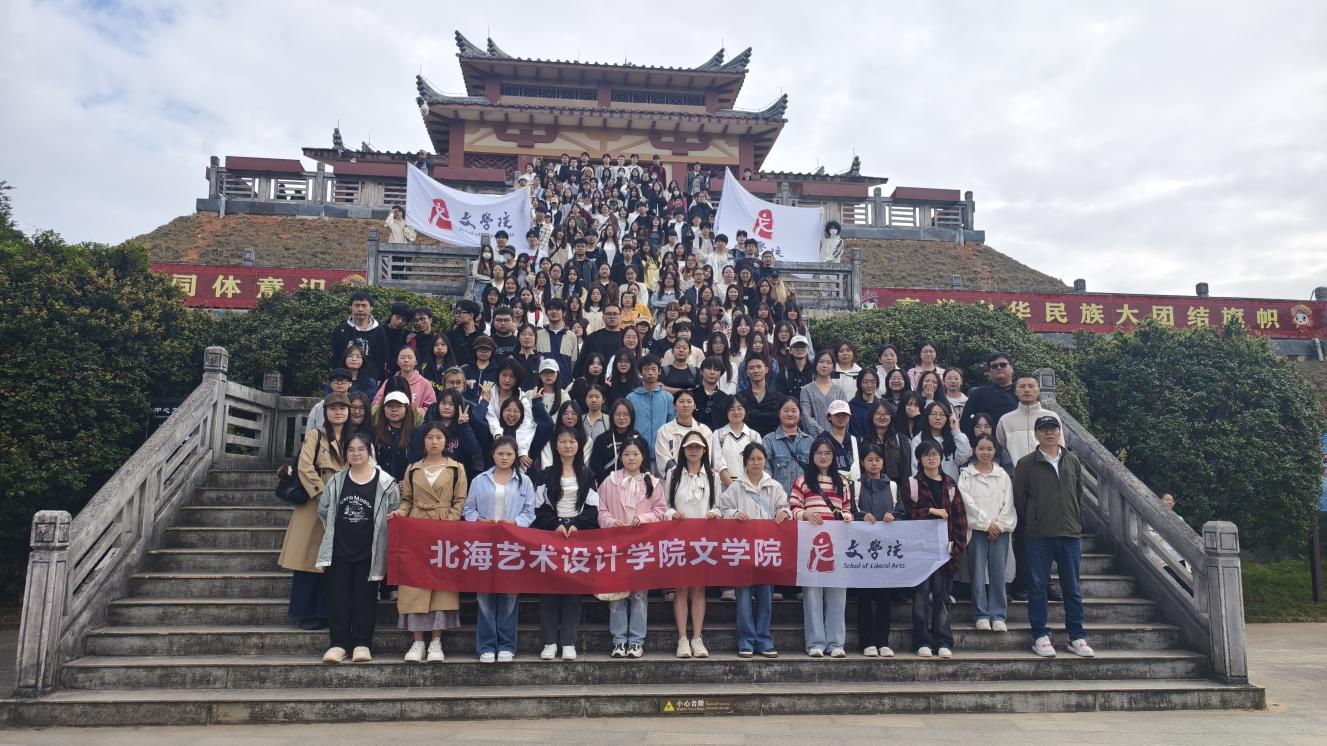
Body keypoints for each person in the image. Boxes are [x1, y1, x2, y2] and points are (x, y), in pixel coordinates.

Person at [1013, 416, 1094, 659]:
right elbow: (1020, 500)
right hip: (1038, 535)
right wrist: (1032, 523)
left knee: (1072, 588)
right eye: (1044, 430)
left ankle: (1076, 636)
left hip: (1069, 533)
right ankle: (1040, 635)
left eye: (1053, 429)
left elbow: (1078, 494)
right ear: (1036, 435)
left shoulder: (1072, 460)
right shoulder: (1026, 464)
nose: (1049, 433)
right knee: (1037, 587)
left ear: (1059, 433)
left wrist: (1075, 521)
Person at [316, 433, 400, 664]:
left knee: (366, 599)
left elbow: (395, 509)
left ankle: (362, 643)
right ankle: (338, 644)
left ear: (369, 451)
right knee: (338, 598)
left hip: (369, 552)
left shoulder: (385, 482)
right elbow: (324, 510)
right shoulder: (337, 481)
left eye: (361, 449)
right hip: (339, 550)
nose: (356, 453)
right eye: (351, 450)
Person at [391, 422, 467, 662]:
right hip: (416, 531)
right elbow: (406, 500)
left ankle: (436, 641)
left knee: (441, 585)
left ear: (446, 441)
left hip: (444, 531)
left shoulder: (457, 468)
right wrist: (399, 513)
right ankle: (417, 642)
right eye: (430, 437)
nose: (434, 442)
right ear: (423, 441)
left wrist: (448, 523)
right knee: (414, 585)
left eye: (439, 437)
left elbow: (460, 501)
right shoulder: (413, 468)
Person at [463, 436, 538, 663]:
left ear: (515, 456)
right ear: (493, 455)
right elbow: (468, 509)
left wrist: (514, 523)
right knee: (484, 595)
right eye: (500, 453)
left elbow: (530, 513)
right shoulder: (479, 480)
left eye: (509, 454)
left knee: (509, 595)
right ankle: (486, 645)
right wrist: (479, 521)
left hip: (511, 545)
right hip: (484, 545)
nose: (504, 458)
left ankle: (507, 644)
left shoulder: (524, 481)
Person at [282, 393, 349, 631]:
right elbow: (305, 466)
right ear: (326, 412)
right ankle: (306, 612)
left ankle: (326, 612)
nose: (338, 412)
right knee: (307, 559)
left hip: (343, 501)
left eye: (342, 408)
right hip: (314, 502)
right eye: (333, 408)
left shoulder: (353, 438)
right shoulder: (316, 435)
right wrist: (321, 493)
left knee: (333, 562)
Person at [533, 426, 600, 661]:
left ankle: (569, 642)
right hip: (551, 536)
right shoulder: (545, 474)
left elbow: (593, 508)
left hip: (576, 537)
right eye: (562, 441)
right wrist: (554, 524)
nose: (567, 445)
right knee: (548, 591)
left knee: (573, 590)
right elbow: (538, 507)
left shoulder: (588, 475)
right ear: (555, 445)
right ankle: (549, 642)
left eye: (572, 441)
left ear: (579, 445)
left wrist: (577, 524)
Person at [719, 442, 791, 657]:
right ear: (745, 463)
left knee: (765, 597)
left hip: (767, 549)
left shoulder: (774, 486)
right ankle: (746, 640)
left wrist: (784, 513)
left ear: (765, 461)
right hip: (743, 549)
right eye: (752, 459)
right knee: (743, 598)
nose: (756, 463)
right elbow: (723, 509)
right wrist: (734, 514)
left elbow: (784, 507)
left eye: (760, 458)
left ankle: (764, 639)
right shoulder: (736, 487)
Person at [597, 435, 667, 658]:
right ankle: (619, 640)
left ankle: (636, 641)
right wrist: (611, 522)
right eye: (626, 454)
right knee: (616, 595)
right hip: (616, 545)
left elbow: (661, 511)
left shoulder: (653, 482)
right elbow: (601, 510)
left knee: (639, 595)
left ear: (643, 456)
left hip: (641, 547)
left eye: (635, 454)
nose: (631, 458)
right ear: (620, 457)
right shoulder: (609, 482)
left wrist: (643, 518)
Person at [900, 440, 967, 659]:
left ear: (941, 457)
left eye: (935, 454)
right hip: (920, 550)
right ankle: (921, 641)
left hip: (944, 550)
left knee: (942, 596)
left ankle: (943, 641)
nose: (931, 458)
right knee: (921, 597)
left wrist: (957, 547)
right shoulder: (912, 484)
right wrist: (930, 511)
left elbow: (960, 518)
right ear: (919, 459)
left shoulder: (950, 484)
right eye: (926, 454)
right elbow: (907, 514)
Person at [790, 435, 854, 658]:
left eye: (827, 453)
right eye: (819, 453)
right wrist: (805, 514)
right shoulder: (802, 480)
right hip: (810, 546)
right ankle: (815, 643)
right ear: (812, 456)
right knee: (812, 595)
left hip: (837, 545)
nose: (823, 457)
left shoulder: (842, 482)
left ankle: (836, 643)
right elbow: (794, 507)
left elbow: (848, 509)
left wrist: (846, 517)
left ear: (833, 456)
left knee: (837, 595)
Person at [663, 431, 723, 658]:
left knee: (699, 589)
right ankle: (682, 638)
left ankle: (697, 637)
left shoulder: (712, 475)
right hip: (679, 538)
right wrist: (672, 513)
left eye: (698, 447)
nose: (694, 451)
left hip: (703, 539)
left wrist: (714, 513)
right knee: (680, 588)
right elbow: (666, 505)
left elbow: (718, 505)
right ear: (683, 450)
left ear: (705, 450)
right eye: (690, 447)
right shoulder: (673, 474)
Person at [958, 434, 1018, 633]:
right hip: (976, 530)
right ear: (974, 450)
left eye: (989, 448)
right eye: (981, 448)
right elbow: (966, 503)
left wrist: (998, 525)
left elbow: (1008, 503)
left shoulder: (1002, 475)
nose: (985, 452)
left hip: (1000, 531)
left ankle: (998, 614)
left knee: (998, 572)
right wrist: (985, 524)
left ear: (995, 451)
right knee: (976, 572)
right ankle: (981, 614)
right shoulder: (966, 474)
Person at [852, 443, 903, 657]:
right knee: (864, 598)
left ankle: (883, 641)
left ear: (883, 462)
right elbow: (849, 512)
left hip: (885, 550)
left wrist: (894, 516)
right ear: (862, 463)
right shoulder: (855, 486)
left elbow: (902, 512)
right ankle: (867, 642)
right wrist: (861, 516)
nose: (874, 464)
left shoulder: (892, 486)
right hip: (862, 550)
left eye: (878, 460)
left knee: (884, 598)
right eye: (869, 460)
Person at [995, 376, 1062, 464]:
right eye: (1022, 386)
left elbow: (1060, 445)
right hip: (1018, 470)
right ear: (1016, 391)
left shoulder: (1051, 416)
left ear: (1038, 390)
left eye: (1031, 386)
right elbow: (1002, 444)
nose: (1026, 390)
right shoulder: (1005, 420)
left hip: (1048, 469)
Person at [627, 355, 673, 468]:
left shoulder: (667, 397)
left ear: (659, 371)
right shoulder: (631, 398)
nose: (650, 373)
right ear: (640, 372)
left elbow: (671, 424)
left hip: (662, 453)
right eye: (646, 369)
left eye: (654, 369)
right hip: (638, 452)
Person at [330, 291, 389, 379]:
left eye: (364, 305)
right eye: (357, 305)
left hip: (370, 380)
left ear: (371, 308)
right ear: (350, 307)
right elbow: (335, 356)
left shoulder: (379, 331)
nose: (360, 309)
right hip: (343, 379)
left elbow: (381, 358)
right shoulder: (340, 330)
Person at [654, 389, 713, 475]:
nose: (685, 405)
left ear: (694, 406)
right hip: (673, 479)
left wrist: (694, 476)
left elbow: (706, 458)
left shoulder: (704, 431)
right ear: (674, 406)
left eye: (689, 401)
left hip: (699, 479)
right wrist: (681, 477)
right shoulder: (664, 430)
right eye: (681, 401)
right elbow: (663, 459)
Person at [762, 397, 813, 497]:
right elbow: (765, 472)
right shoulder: (769, 440)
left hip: (805, 499)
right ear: (779, 413)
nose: (790, 414)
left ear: (800, 414)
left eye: (794, 411)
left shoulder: (810, 441)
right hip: (778, 499)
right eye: (786, 411)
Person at [959, 352, 1017, 438]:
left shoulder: (1022, 393)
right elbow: (965, 423)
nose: (999, 368)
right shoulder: (978, 394)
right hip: (987, 443)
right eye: (994, 366)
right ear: (989, 371)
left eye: (1003, 365)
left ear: (1011, 368)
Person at [912, 401, 972, 481]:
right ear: (927, 417)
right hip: (926, 485)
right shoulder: (919, 440)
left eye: (942, 414)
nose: (938, 417)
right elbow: (915, 467)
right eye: (933, 414)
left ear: (947, 418)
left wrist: (956, 430)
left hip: (950, 484)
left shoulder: (953, 437)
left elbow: (963, 457)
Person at [373, 347, 436, 416]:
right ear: (397, 362)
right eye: (402, 358)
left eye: (410, 357)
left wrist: (417, 412)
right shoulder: (390, 382)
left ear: (416, 361)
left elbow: (432, 407)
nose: (406, 360)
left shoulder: (425, 383)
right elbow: (376, 403)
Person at [372, 390, 417, 481]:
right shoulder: (374, 432)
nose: (394, 410)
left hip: (407, 484)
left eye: (399, 406)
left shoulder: (415, 433)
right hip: (380, 482)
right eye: (389, 406)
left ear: (406, 409)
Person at [590, 399, 638, 482]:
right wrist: (610, 484)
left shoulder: (638, 439)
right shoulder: (602, 439)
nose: (621, 418)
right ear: (612, 416)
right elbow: (596, 466)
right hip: (607, 485)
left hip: (632, 485)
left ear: (632, 416)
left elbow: (644, 466)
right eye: (617, 414)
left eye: (626, 414)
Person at [801, 351, 846, 437]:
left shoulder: (839, 391)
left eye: (829, 363)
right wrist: (823, 435)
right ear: (815, 364)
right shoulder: (806, 390)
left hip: (836, 438)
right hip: (813, 439)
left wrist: (835, 436)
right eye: (821, 362)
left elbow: (844, 416)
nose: (825, 365)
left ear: (833, 366)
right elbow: (806, 417)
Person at [536, 298, 578, 386]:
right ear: (546, 313)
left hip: (565, 384)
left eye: (557, 309)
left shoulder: (571, 336)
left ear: (564, 313)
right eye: (550, 309)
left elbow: (573, 363)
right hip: (543, 385)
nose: (554, 312)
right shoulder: (538, 335)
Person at [736, 355, 782, 436]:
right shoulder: (740, 397)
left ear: (766, 370)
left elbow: (778, 419)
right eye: (751, 368)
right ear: (747, 373)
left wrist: (751, 413)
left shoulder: (778, 397)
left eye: (759, 367)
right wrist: (768, 416)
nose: (756, 371)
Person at [306, 368, 354, 435]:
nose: (340, 383)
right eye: (336, 380)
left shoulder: (355, 404)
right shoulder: (320, 406)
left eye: (344, 380)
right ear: (330, 384)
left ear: (350, 383)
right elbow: (309, 431)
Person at [775, 335, 814, 402]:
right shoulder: (783, 373)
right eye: (796, 347)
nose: (799, 349)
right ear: (790, 350)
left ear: (808, 349)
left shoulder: (815, 370)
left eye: (802, 347)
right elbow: (780, 396)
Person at [448, 300, 484, 366]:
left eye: (460, 312)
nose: (456, 315)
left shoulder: (482, 337)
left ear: (471, 315)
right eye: (456, 313)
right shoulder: (450, 336)